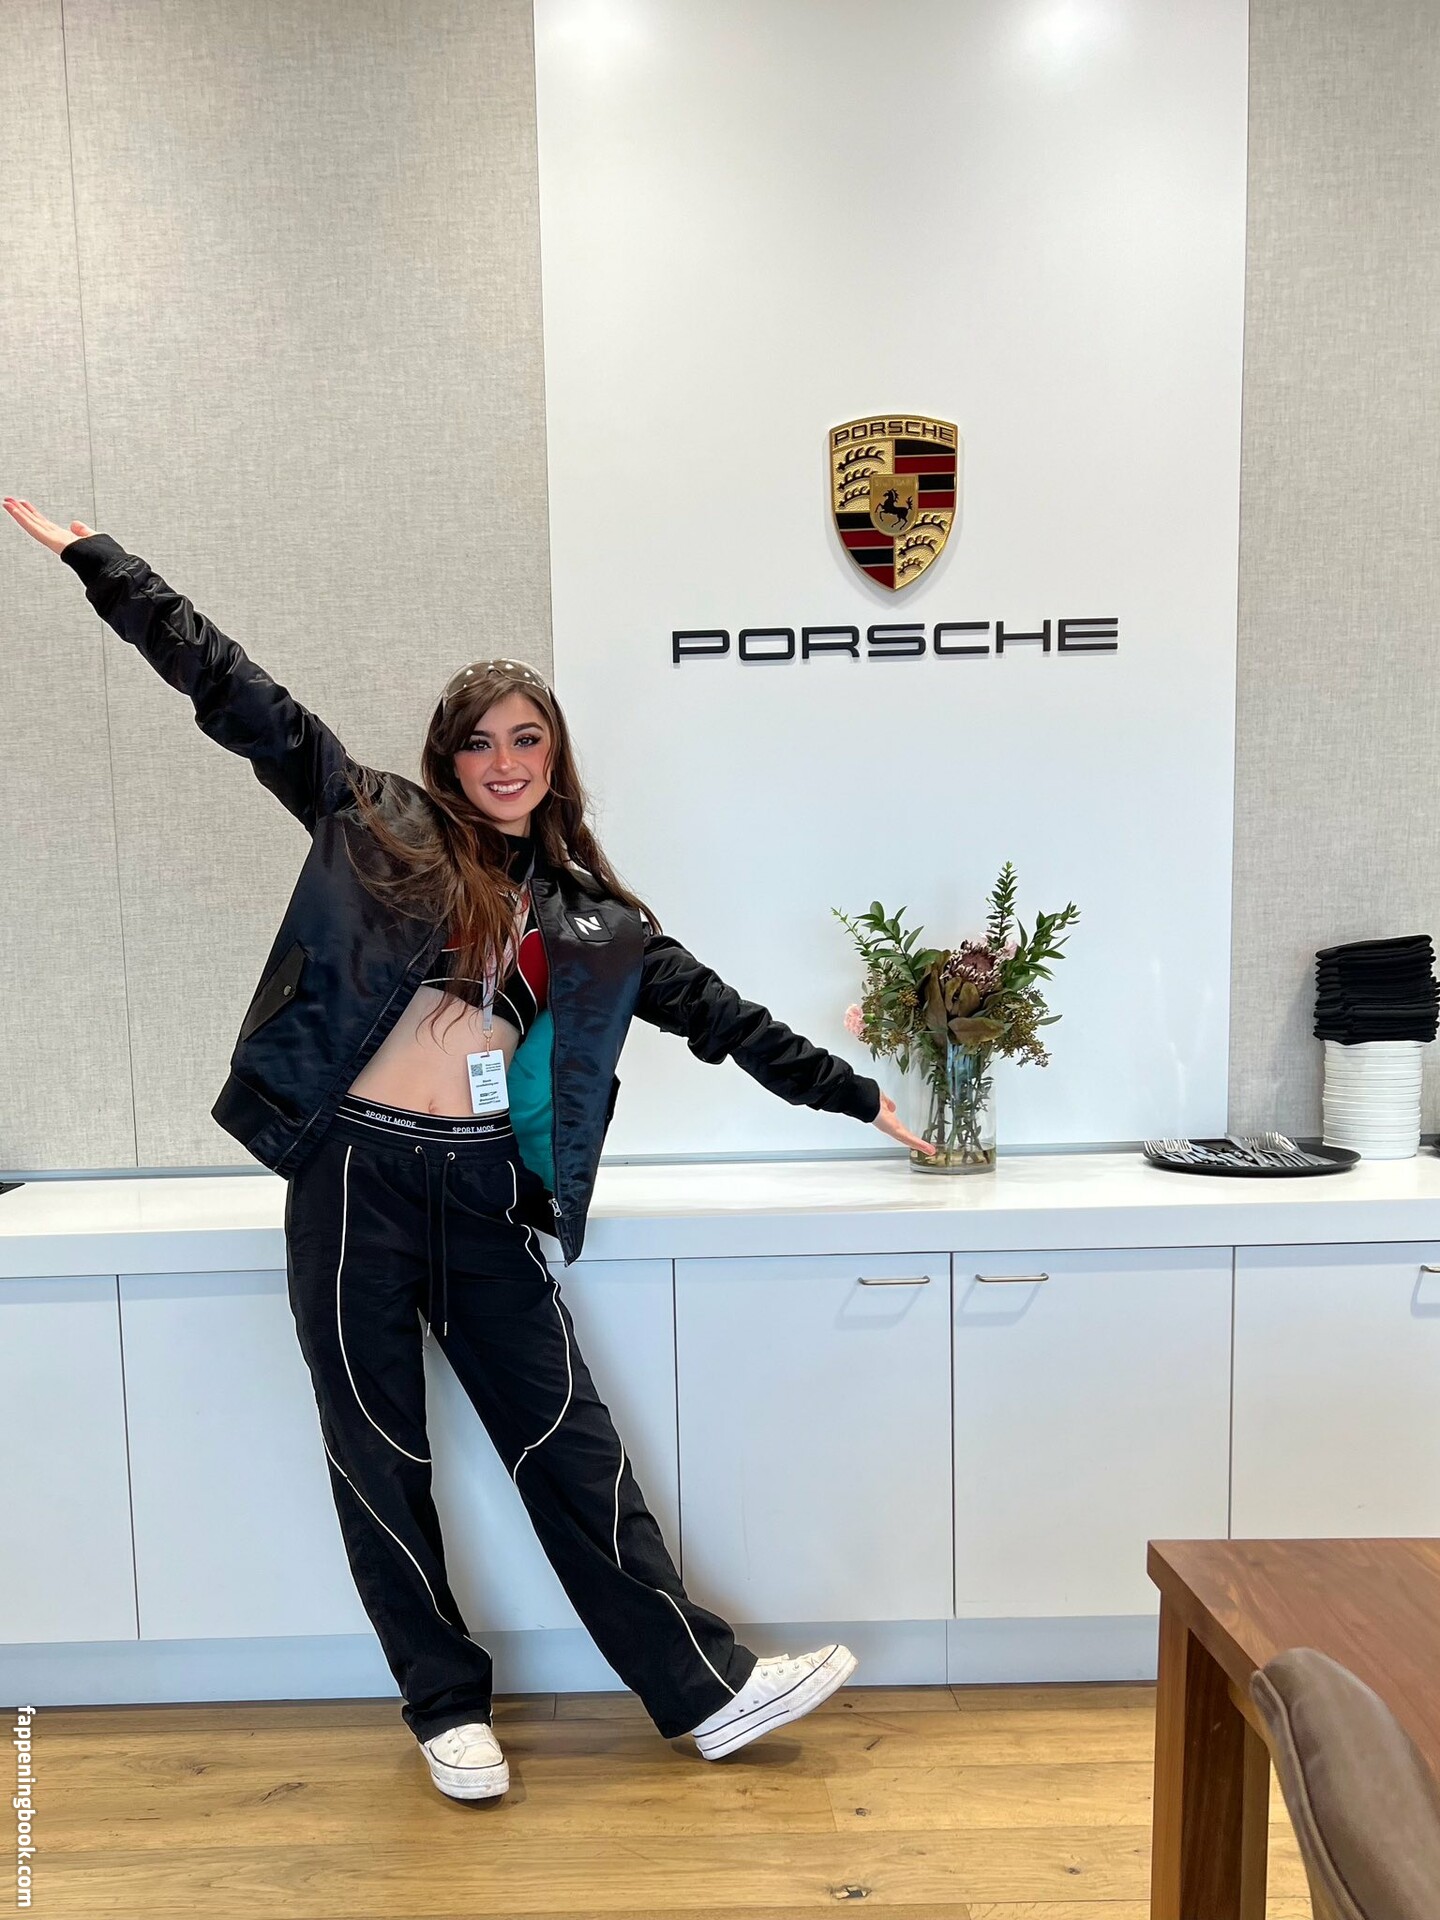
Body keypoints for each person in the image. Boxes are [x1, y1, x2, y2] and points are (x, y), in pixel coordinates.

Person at [4, 496, 936, 1802]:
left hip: (484, 1186)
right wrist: (101, 565)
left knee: (567, 1440)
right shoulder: (370, 816)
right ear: (446, 757)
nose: (506, 760)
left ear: (557, 759)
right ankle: (445, 1709)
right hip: (354, 1174)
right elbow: (234, 691)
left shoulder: (596, 921)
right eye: (481, 740)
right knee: (376, 1451)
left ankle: (702, 1691)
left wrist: (862, 1097)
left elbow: (723, 1019)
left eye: (528, 738)